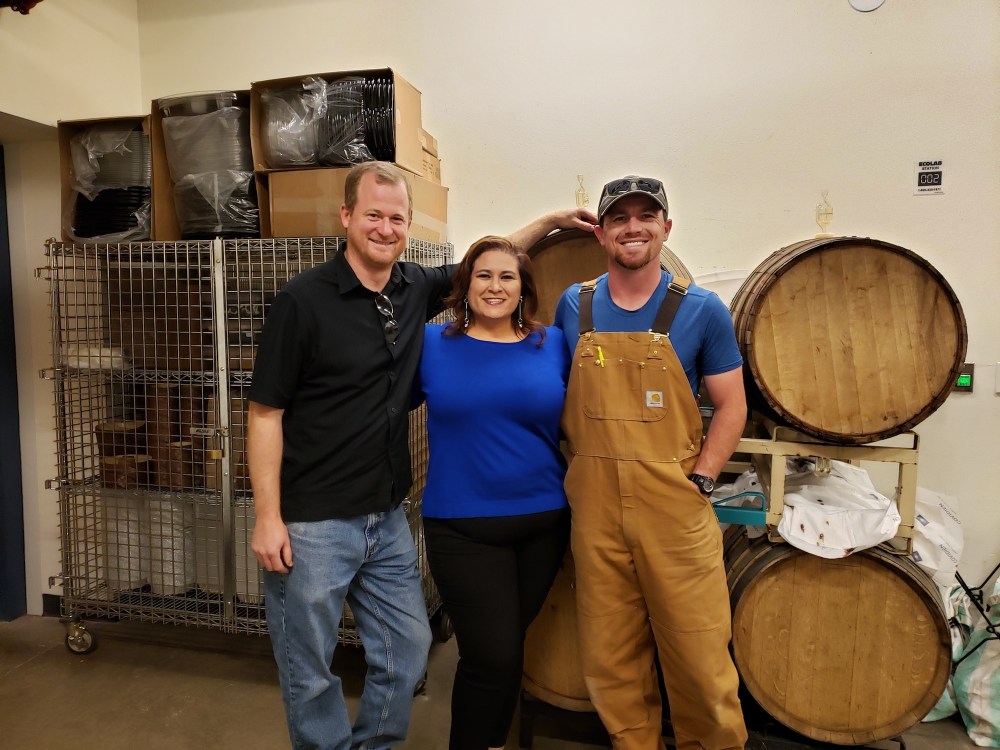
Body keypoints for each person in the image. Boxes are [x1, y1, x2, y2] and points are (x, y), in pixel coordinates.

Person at [248, 159, 593, 750]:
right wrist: (267, 516)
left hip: (385, 514)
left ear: (409, 226)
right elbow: (264, 414)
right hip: (313, 519)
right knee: (309, 669)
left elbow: (489, 262)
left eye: (397, 218)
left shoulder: (412, 288)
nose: (385, 228)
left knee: (407, 652)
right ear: (346, 216)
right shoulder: (302, 301)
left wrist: (553, 220)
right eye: (373, 215)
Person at [552, 175, 748, 750]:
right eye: (619, 218)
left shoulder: (702, 309)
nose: (632, 227)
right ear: (601, 233)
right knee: (610, 654)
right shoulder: (575, 304)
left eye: (645, 216)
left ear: (666, 228)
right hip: (595, 509)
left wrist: (703, 477)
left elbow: (732, 405)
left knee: (700, 651)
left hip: (674, 507)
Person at [417, 236, 571, 750]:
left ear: (523, 288)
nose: (495, 286)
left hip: (544, 524)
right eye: (483, 275)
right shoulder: (432, 345)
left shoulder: (553, 343)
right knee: (492, 656)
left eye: (507, 276)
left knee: (507, 651)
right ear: (465, 284)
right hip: (462, 528)